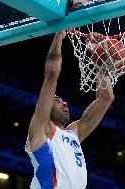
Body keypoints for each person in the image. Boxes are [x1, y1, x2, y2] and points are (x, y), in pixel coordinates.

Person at [25, 31, 114, 189]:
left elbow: (106, 98)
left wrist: (99, 58)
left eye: (64, 101)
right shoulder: (41, 130)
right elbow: (52, 74)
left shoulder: (73, 133)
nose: (65, 103)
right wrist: (58, 38)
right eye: (57, 100)